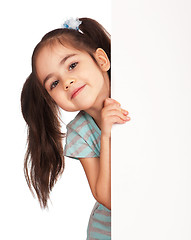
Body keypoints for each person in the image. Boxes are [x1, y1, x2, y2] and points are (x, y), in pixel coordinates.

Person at [21, 17, 130, 239]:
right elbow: (106, 197)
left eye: (72, 65)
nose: (67, 82)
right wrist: (106, 135)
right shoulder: (80, 131)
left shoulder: (136, 90)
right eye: (54, 83)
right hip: (108, 232)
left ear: (101, 60)